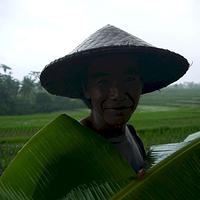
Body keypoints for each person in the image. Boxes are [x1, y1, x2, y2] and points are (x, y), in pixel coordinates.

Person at [40, 24, 189, 177]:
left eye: (129, 79)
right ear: (86, 89)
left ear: (141, 85)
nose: (118, 94)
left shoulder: (133, 136)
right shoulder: (70, 147)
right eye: (103, 82)